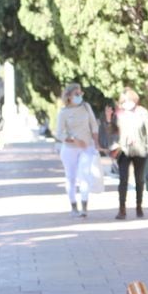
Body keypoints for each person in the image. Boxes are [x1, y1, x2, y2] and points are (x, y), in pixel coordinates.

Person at [55, 82, 99, 218]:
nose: (80, 96)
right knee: (71, 178)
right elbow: (59, 134)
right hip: (69, 149)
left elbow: (94, 125)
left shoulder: (86, 107)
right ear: (68, 96)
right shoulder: (63, 112)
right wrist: (74, 140)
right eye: (76, 94)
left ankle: (84, 207)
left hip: (87, 147)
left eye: (81, 93)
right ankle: (73, 206)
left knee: (85, 175)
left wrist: (96, 142)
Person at [113, 88, 148, 219]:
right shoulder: (119, 114)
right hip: (123, 151)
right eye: (124, 101)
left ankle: (139, 206)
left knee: (139, 180)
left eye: (129, 100)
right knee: (123, 179)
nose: (127, 103)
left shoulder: (143, 113)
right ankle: (122, 209)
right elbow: (113, 132)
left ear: (134, 99)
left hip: (140, 150)